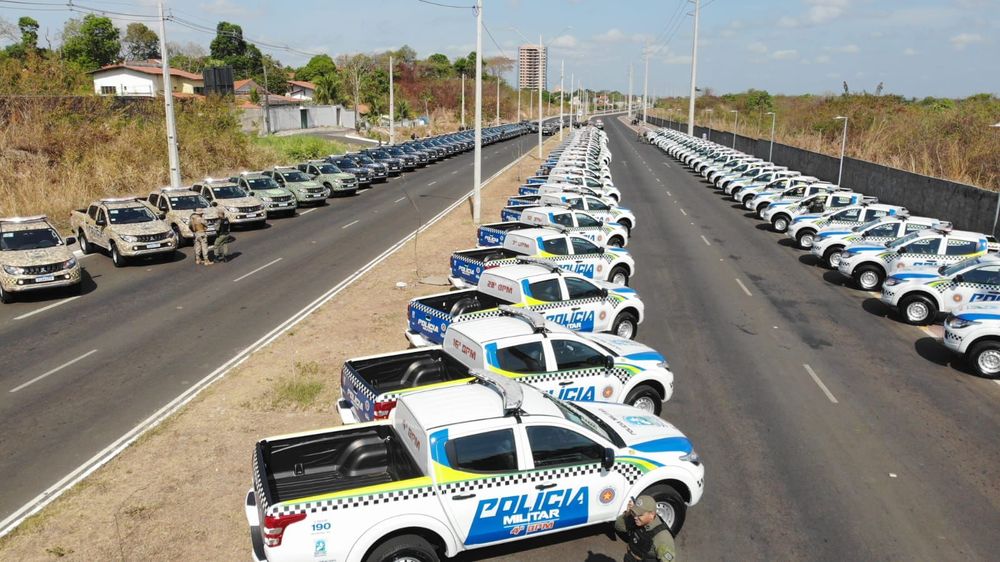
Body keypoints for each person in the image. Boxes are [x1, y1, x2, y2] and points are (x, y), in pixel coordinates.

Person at [614, 495, 676, 562]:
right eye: (635, 513)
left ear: (652, 514)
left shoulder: (662, 537)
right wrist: (627, 514)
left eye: (640, 515)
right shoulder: (637, 520)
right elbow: (618, 526)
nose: (635, 517)